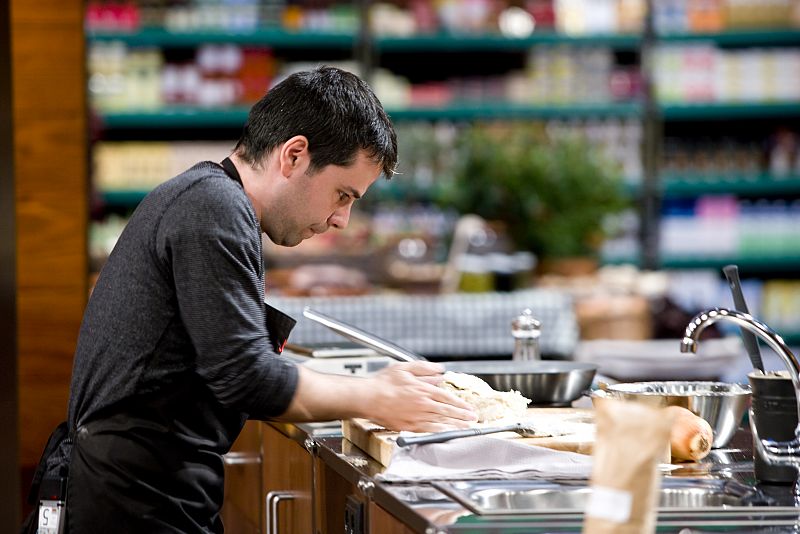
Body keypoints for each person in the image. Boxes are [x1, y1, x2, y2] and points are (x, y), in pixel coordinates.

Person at [24, 66, 476, 533]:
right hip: (128, 506)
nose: (342, 219)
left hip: (143, 494)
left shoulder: (212, 199)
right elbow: (246, 376)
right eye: (343, 195)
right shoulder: (214, 207)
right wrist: (375, 395)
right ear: (295, 155)